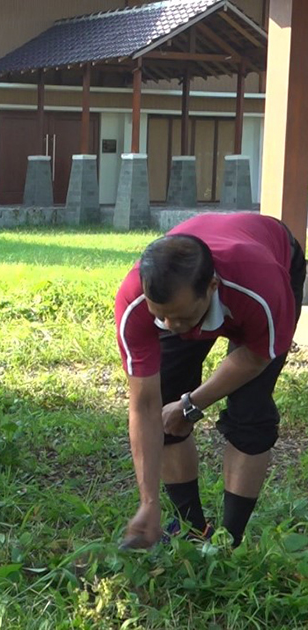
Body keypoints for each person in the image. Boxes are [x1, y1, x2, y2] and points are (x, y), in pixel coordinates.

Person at [115, 213, 305, 549]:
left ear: (212, 287)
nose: (171, 326)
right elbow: (144, 405)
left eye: (181, 317)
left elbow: (256, 357)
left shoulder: (261, 286)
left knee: (250, 411)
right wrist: (148, 502)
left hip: (268, 263)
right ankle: (192, 528)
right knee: (165, 405)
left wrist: (191, 405)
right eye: (160, 316)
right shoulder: (136, 302)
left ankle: (228, 543)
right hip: (208, 284)